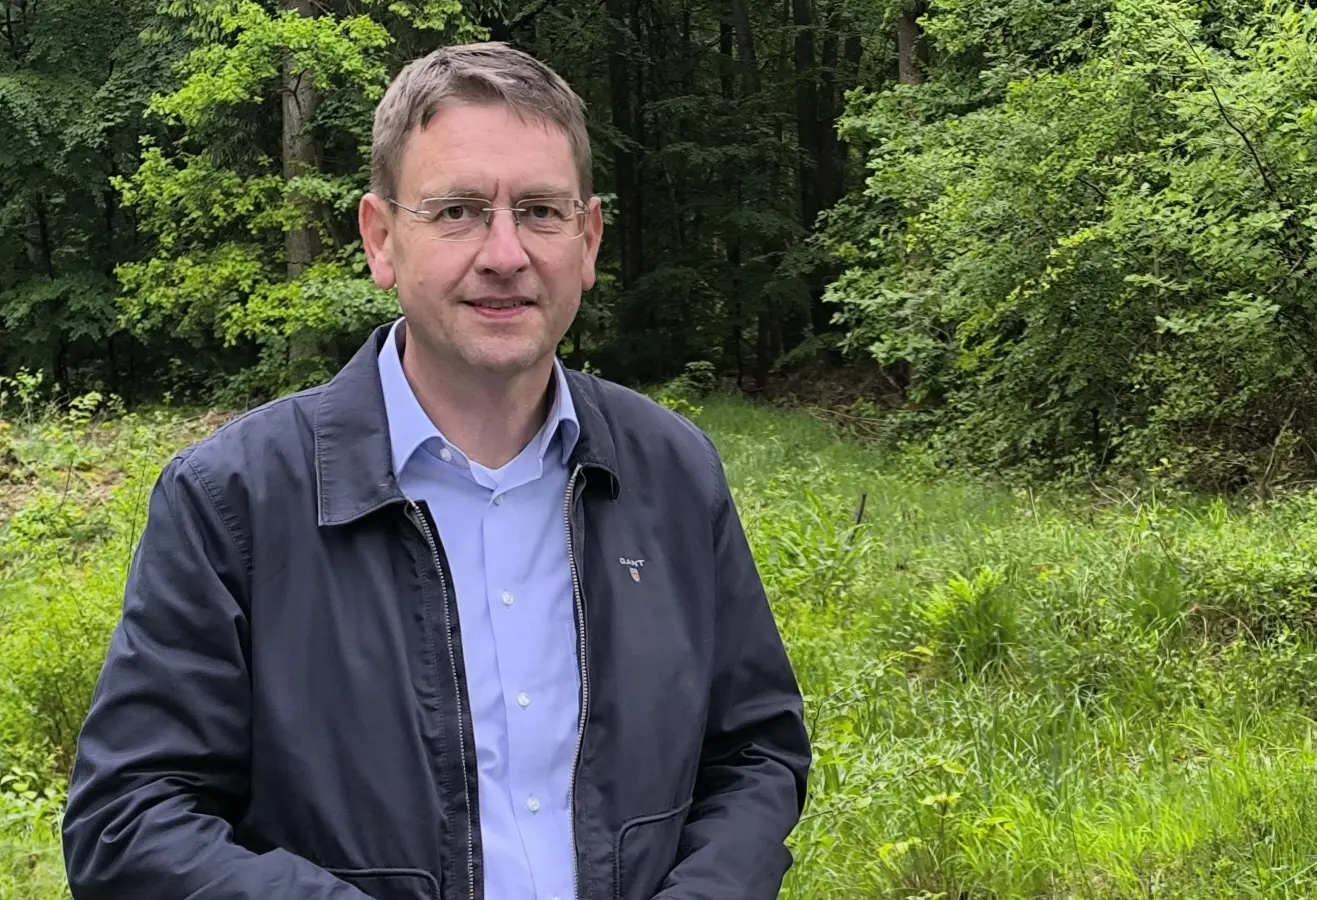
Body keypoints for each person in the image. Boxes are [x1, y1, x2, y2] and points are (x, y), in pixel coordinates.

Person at [60, 41, 810, 900]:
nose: (503, 252)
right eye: (456, 211)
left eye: (538, 211)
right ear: (381, 241)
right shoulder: (232, 503)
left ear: (588, 238)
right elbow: (130, 818)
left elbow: (755, 751)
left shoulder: (672, 474)